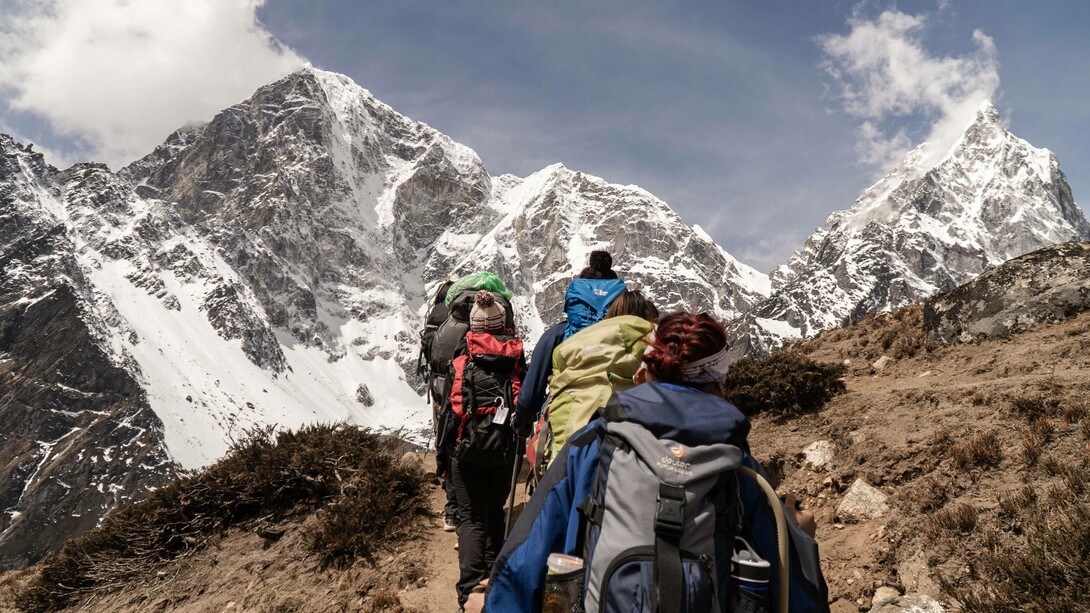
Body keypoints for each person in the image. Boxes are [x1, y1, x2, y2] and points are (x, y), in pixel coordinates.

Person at [474, 312, 829, 613]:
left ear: (643, 372)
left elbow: (523, 562)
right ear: (719, 382)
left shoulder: (594, 444)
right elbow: (796, 584)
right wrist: (799, 533)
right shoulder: (737, 462)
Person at [439, 291, 527, 610]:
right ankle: (495, 582)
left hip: (467, 449)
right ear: (503, 324)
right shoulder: (515, 359)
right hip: (503, 449)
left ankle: (469, 592)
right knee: (493, 513)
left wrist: (443, 458)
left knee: (471, 517)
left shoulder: (463, 359)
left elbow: (450, 411)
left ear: (473, 326)